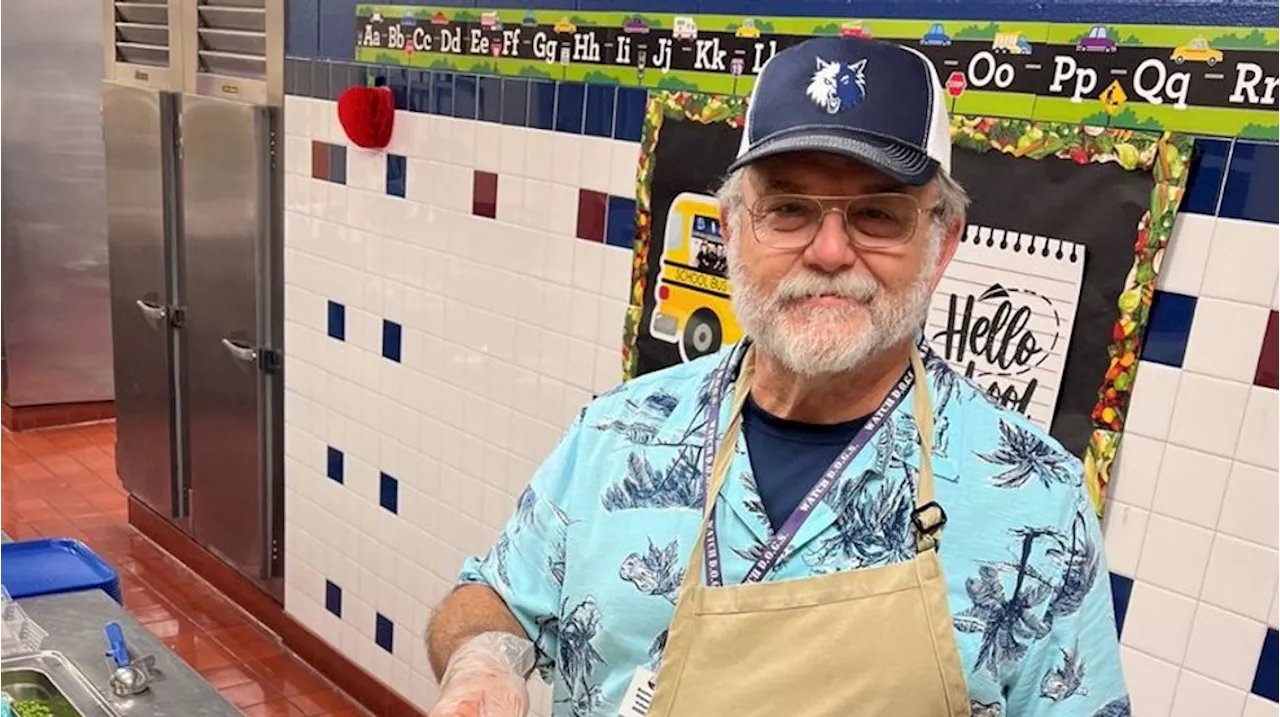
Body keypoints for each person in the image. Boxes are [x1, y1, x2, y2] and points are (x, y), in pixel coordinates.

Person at [425, 35, 1128, 717]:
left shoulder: (1036, 503)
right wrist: (484, 664)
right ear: (731, 229)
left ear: (941, 242)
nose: (828, 250)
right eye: (788, 209)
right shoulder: (618, 433)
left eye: (878, 214)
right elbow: (495, 597)